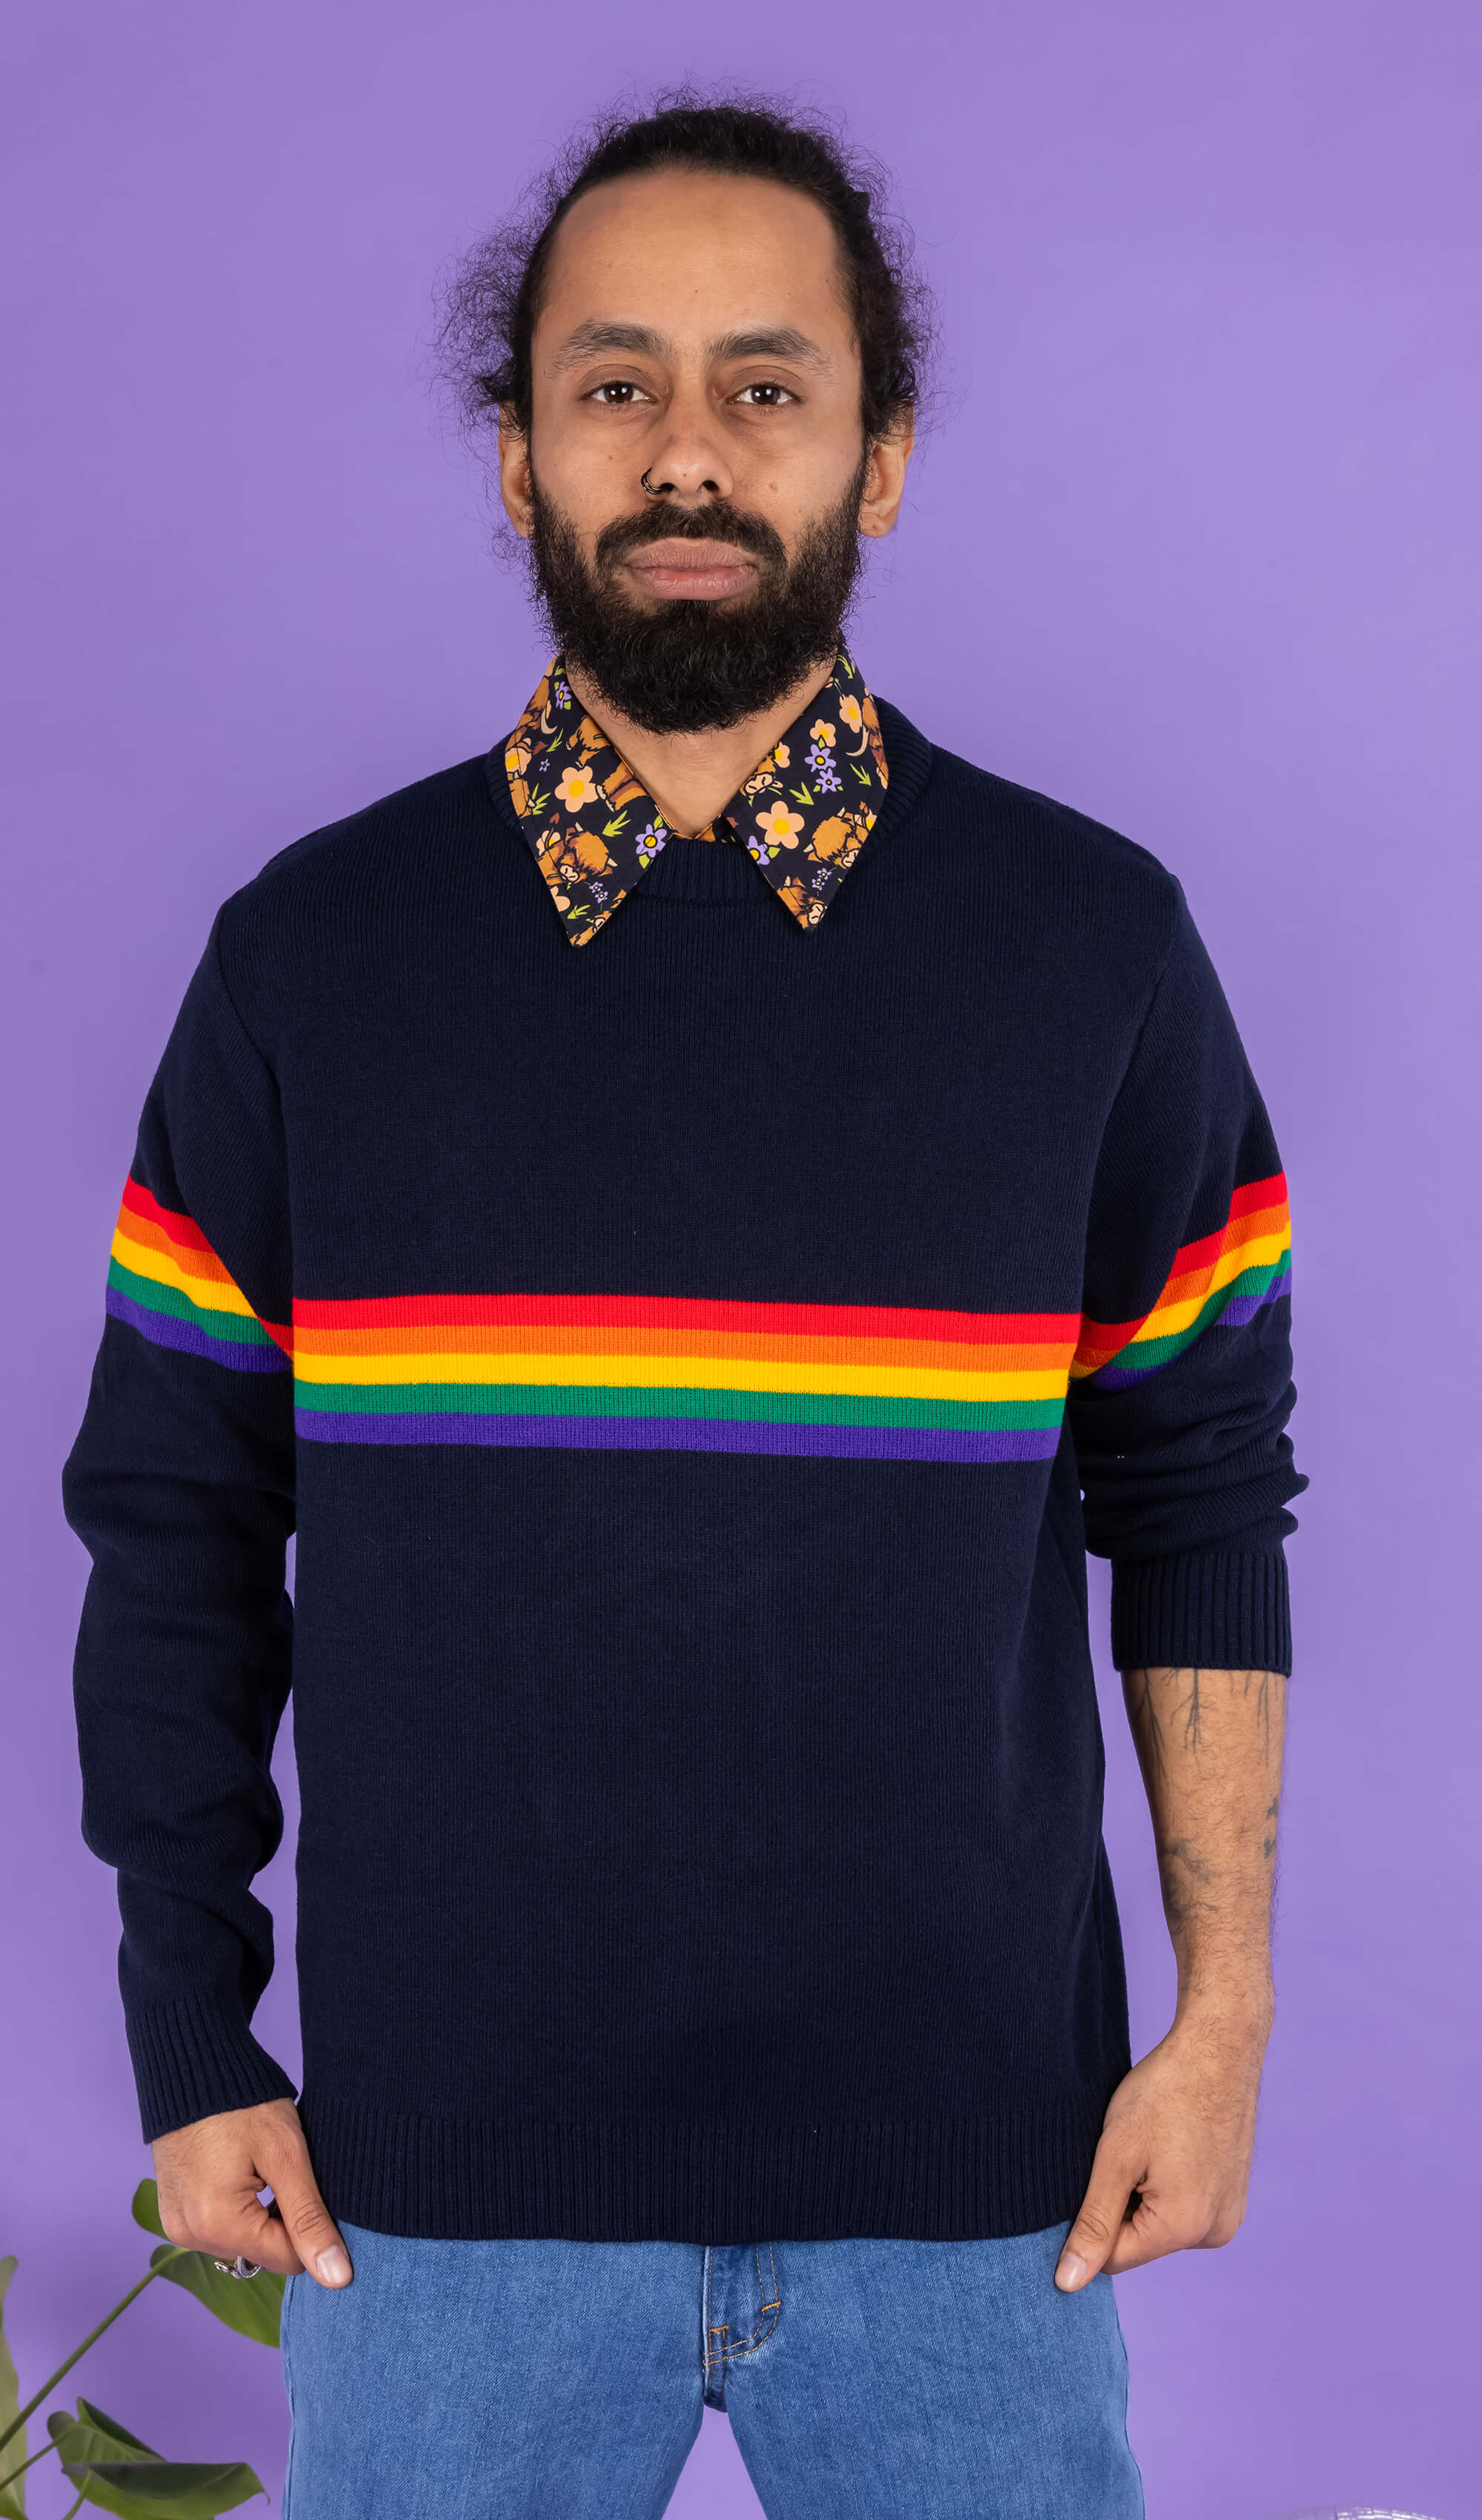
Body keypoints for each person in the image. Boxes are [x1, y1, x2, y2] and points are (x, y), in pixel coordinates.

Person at [61, 93, 1305, 2520]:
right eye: (615, 382)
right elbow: (174, 1524)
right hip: (434, 2206)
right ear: (518, 454)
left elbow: (1202, 1496)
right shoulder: (310, 962)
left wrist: (1227, 2014)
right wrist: (190, 2033)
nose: (689, 453)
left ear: (881, 454)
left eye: (767, 383)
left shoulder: (1094, 952)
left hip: (983, 2199)